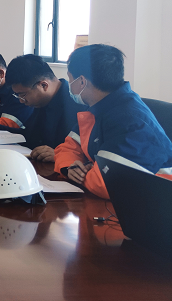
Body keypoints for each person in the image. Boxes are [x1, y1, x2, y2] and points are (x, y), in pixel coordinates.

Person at [53, 44, 172, 198]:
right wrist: (69, 168)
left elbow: (110, 184)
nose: (69, 85)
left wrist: (83, 171)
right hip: (121, 199)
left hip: (156, 200)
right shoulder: (97, 107)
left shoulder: (129, 119)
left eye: (70, 79)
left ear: (82, 81)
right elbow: (67, 147)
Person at [0, 54, 86, 162]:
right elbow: (28, 135)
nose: (21, 101)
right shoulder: (40, 101)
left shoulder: (77, 104)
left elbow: (87, 152)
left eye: (22, 95)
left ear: (43, 85)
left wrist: (60, 154)